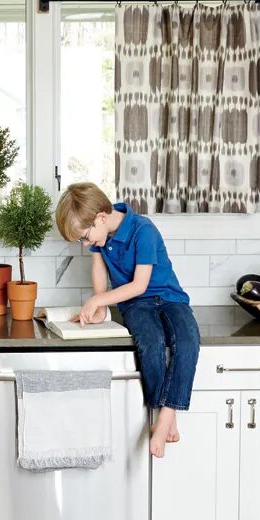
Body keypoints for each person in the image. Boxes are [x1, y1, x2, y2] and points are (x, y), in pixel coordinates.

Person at [55, 182, 200, 460]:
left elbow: (139, 285)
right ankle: (164, 414)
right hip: (136, 305)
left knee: (188, 340)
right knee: (151, 343)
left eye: (85, 237)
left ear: (100, 217)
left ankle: (166, 415)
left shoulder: (143, 230)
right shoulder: (101, 239)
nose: (86, 244)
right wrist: (100, 307)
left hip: (169, 298)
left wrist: (97, 300)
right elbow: (99, 271)